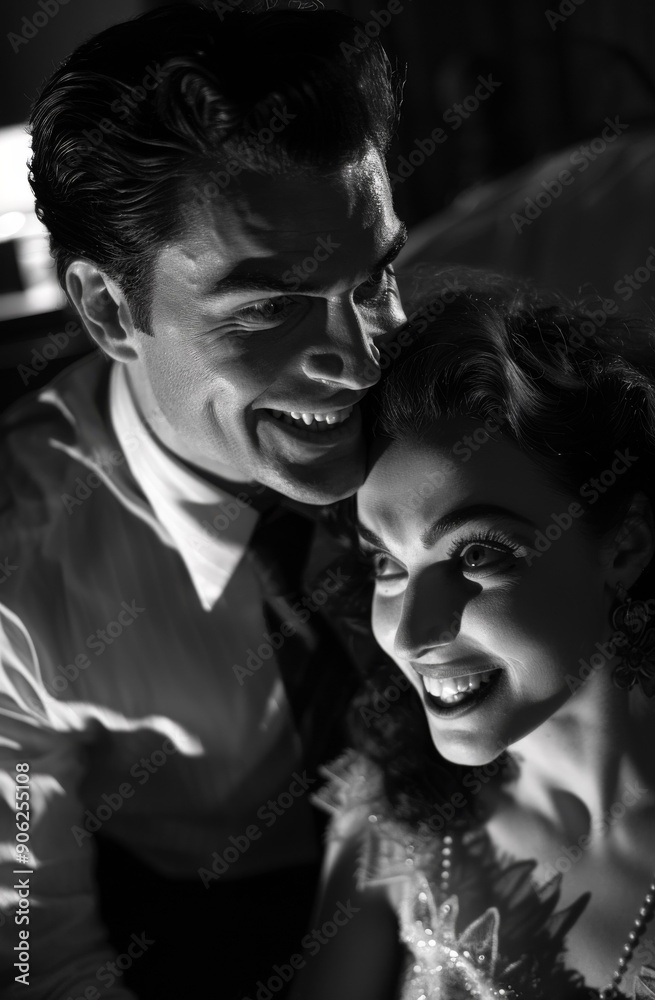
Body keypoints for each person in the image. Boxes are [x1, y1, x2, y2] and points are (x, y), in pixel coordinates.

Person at [0, 4, 408, 997]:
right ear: (108, 309)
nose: (361, 363)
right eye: (270, 308)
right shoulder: (15, 577)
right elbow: (36, 949)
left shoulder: (466, 401)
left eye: (375, 278)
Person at [289, 269, 655, 1000]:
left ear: (624, 546)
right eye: (386, 564)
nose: (410, 631)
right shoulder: (387, 811)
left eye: (476, 554)